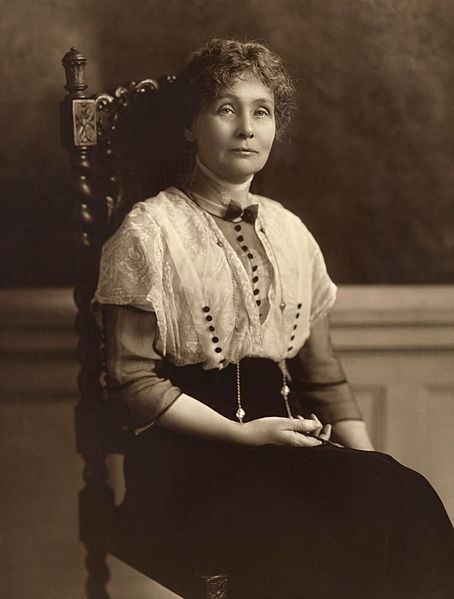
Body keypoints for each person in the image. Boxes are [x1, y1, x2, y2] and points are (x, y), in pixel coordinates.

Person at [95, 39, 454, 598]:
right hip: (185, 464)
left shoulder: (290, 231)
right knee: (317, 528)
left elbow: (322, 377)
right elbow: (133, 382)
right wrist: (243, 435)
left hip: (282, 447)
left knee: (400, 492)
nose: (246, 128)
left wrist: (371, 465)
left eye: (261, 111)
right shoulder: (148, 232)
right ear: (190, 125)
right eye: (226, 108)